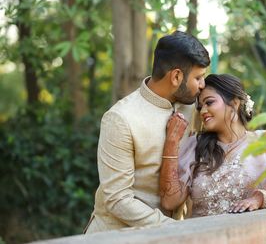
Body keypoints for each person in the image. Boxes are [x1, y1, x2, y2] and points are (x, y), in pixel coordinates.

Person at [84, 31, 210, 233]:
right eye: (198, 77)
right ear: (176, 76)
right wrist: (174, 229)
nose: (203, 85)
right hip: (117, 235)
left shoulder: (195, 106)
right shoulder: (121, 118)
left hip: (171, 236)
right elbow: (117, 199)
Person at [159, 74, 266, 217]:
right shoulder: (196, 146)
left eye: (209, 102)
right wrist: (171, 143)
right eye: (200, 107)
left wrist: (261, 199)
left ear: (234, 103)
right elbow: (169, 202)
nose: (203, 111)